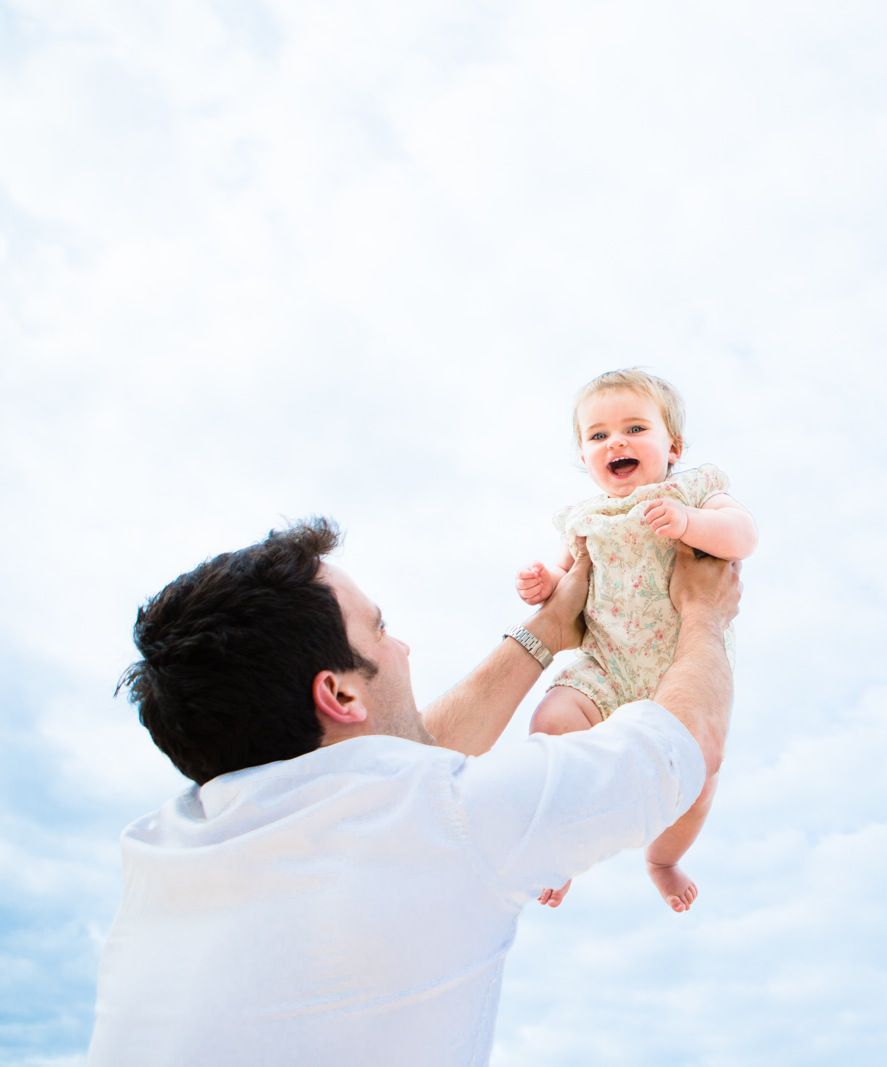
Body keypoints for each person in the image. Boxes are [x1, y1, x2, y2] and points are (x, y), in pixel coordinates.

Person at [88, 516, 740, 1065]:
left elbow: (396, 774)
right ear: (339, 692)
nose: (402, 647)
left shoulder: (157, 852)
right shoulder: (446, 819)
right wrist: (703, 613)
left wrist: (547, 632)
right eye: (379, 628)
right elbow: (685, 740)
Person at [515, 369, 758, 911]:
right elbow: (567, 580)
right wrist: (544, 584)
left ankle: (663, 860)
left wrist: (689, 522)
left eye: (634, 428)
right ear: (584, 457)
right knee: (550, 725)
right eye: (597, 436)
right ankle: (561, 847)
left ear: (672, 446)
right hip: (605, 665)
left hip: (680, 666)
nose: (615, 442)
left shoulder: (693, 491)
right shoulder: (585, 519)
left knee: (697, 777)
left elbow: (744, 536)